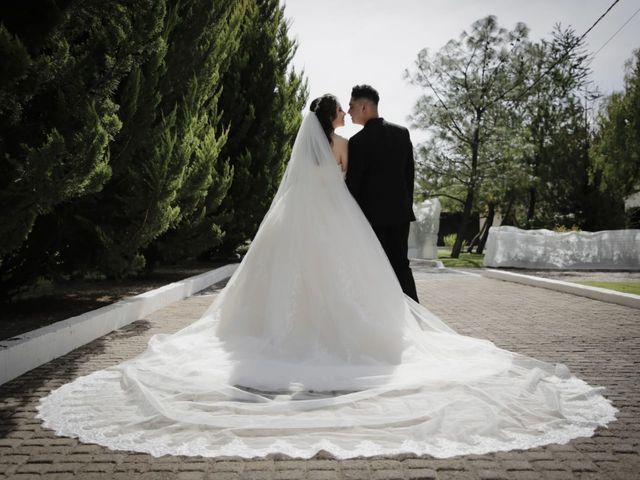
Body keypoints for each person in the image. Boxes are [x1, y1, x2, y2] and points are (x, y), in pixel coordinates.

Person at [37, 95, 616, 460]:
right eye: (340, 112)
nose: (344, 118)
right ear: (334, 118)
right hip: (338, 224)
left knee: (289, 279)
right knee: (350, 282)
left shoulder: (317, 149)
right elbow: (347, 182)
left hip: (298, 224)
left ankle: (285, 334)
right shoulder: (342, 144)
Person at [347, 85, 419, 302]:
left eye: (351, 106)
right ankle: (416, 317)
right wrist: (405, 206)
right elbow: (409, 177)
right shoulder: (402, 133)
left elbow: (353, 187)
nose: (349, 111)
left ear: (363, 106)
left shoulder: (358, 142)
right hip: (400, 215)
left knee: (375, 269)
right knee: (401, 266)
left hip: (371, 219)